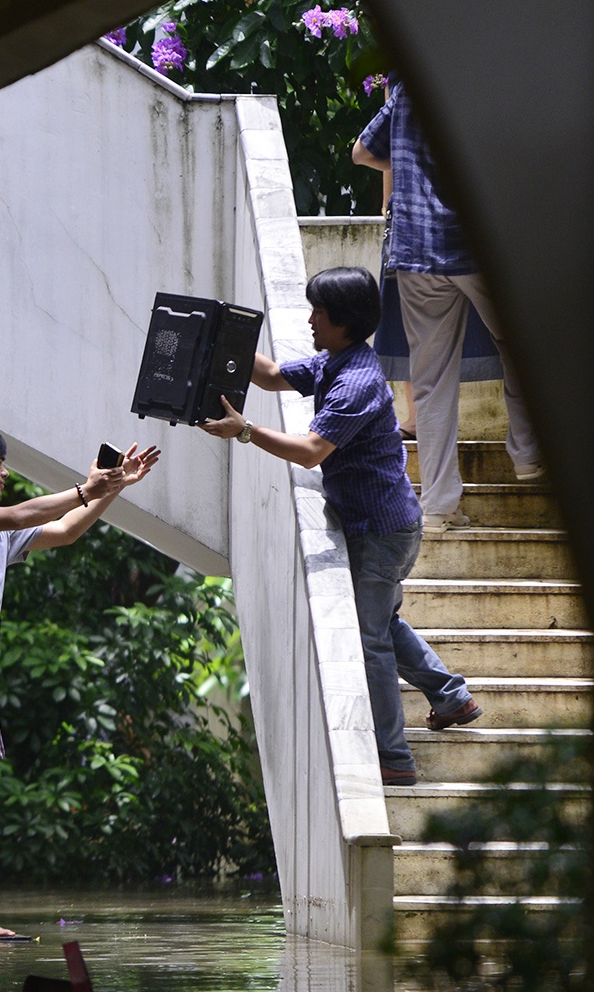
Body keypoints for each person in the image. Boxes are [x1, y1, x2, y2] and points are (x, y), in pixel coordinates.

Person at [199, 267, 480, 786]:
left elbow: (310, 453)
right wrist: (220, 336)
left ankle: (393, 757)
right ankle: (451, 696)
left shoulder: (356, 383)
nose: (309, 320)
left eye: (318, 314)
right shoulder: (338, 359)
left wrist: (245, 431)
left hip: (382, 531)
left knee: (369, 637)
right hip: (379, 523)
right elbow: (275, 375)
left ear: (343, 322)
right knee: (384, 623)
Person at [0, 423, 157, 936]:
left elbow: (65, 530)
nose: (5, 473)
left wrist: (110, 486)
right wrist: (83, 487)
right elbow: (19, 513)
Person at [353, 77, 543, 536]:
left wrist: (411, 169)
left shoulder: (405, 88)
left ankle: (437, 506)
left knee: (432, 378)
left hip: (418, 249)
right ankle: (526, 453)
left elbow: (362, 152)